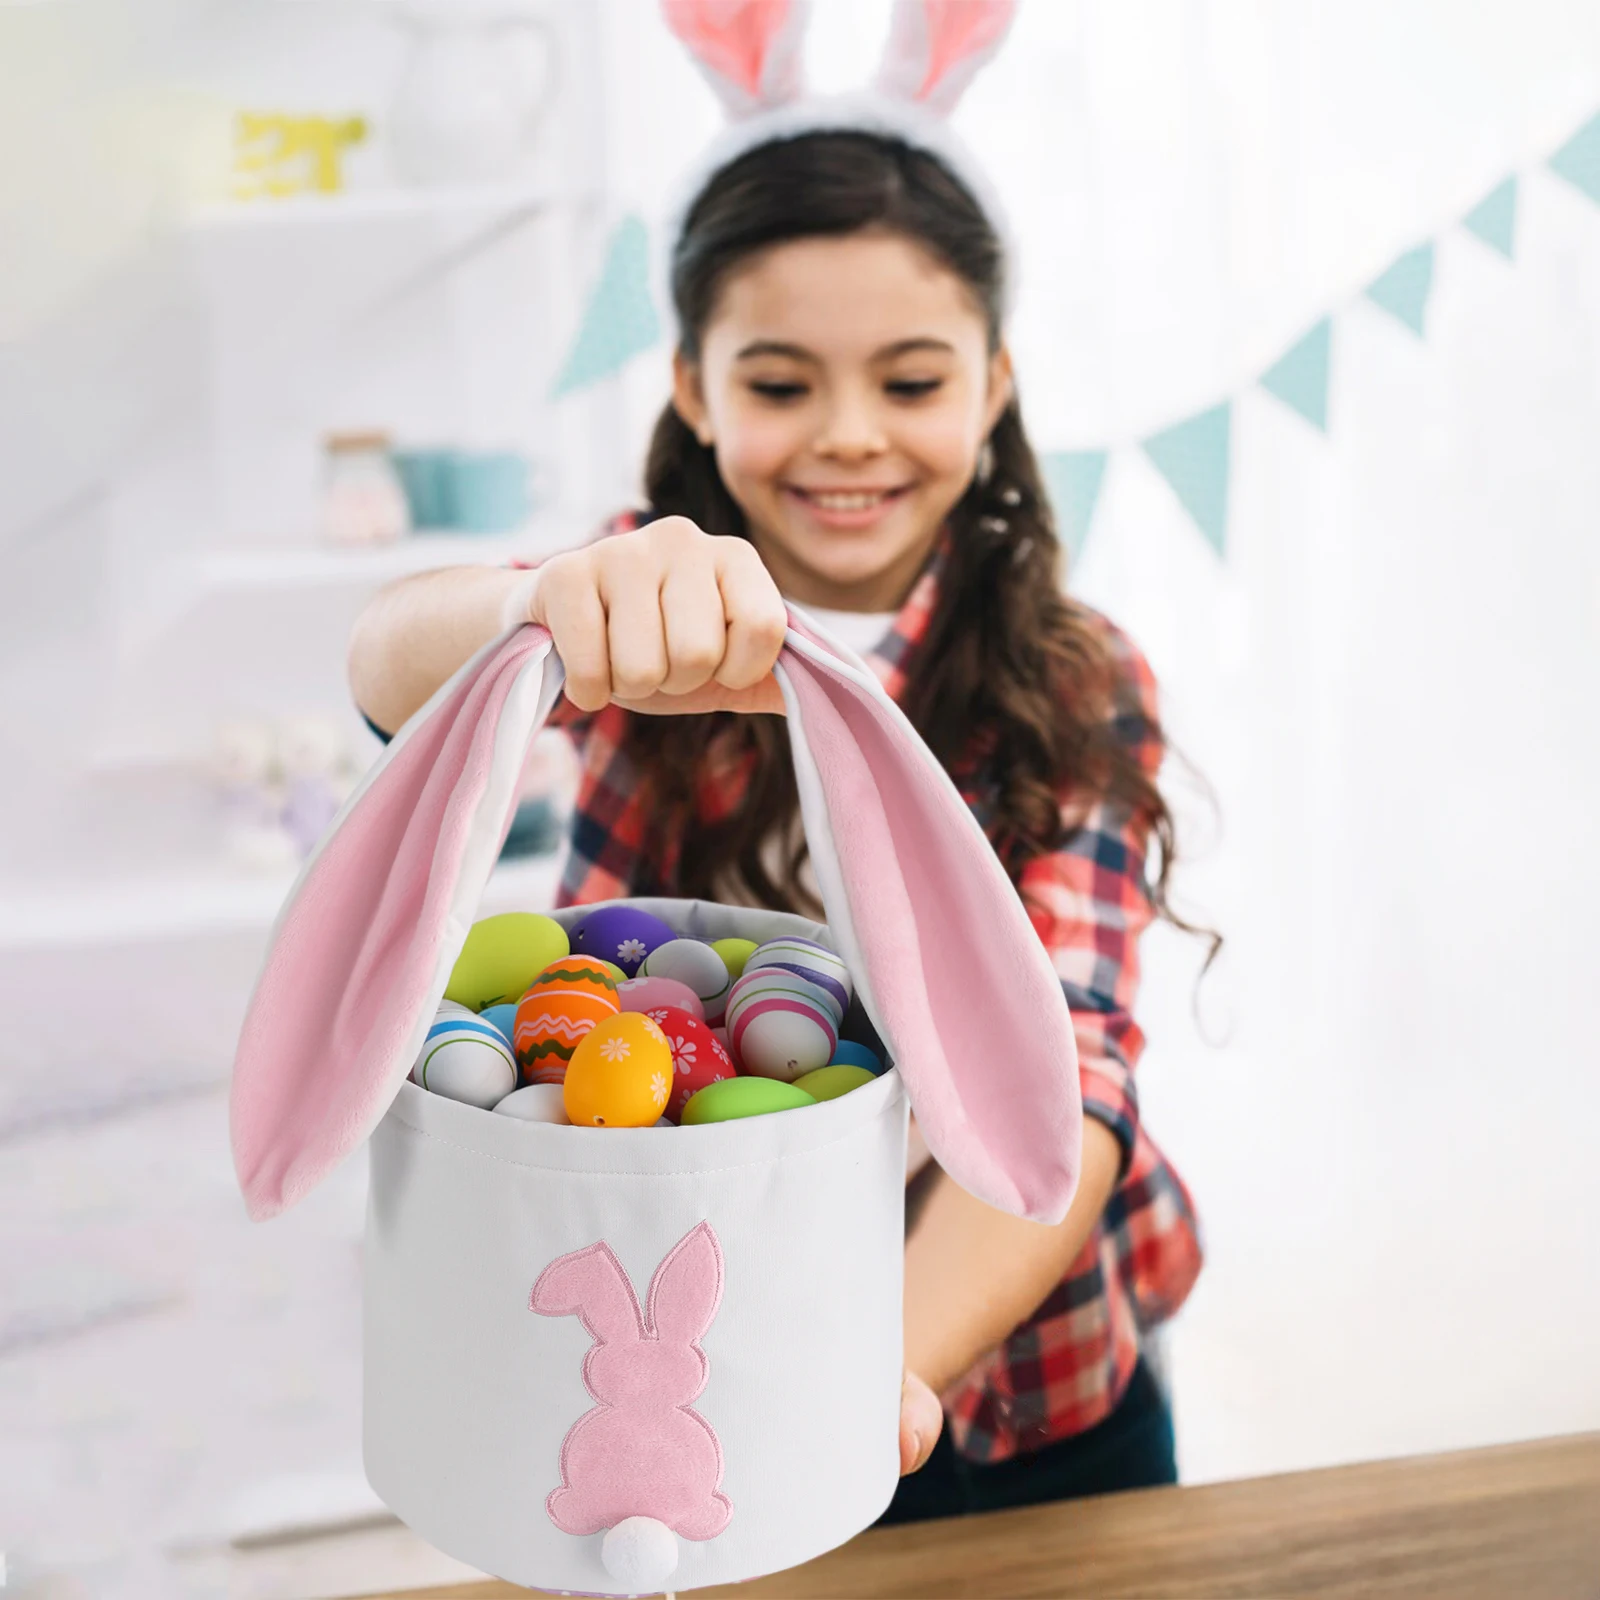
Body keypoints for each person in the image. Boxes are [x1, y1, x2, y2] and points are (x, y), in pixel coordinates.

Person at [348, 9, 1204, 1526]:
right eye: (784, 380)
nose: (851, 439)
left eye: (915, 380)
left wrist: (870, 1376)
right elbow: (387, 676)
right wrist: (521, 611)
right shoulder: (647, 606)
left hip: (1006, 1403)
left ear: (996, 384)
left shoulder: (1071, 676)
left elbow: (1065, 1095)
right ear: (692, 384)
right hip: (665, 1373)